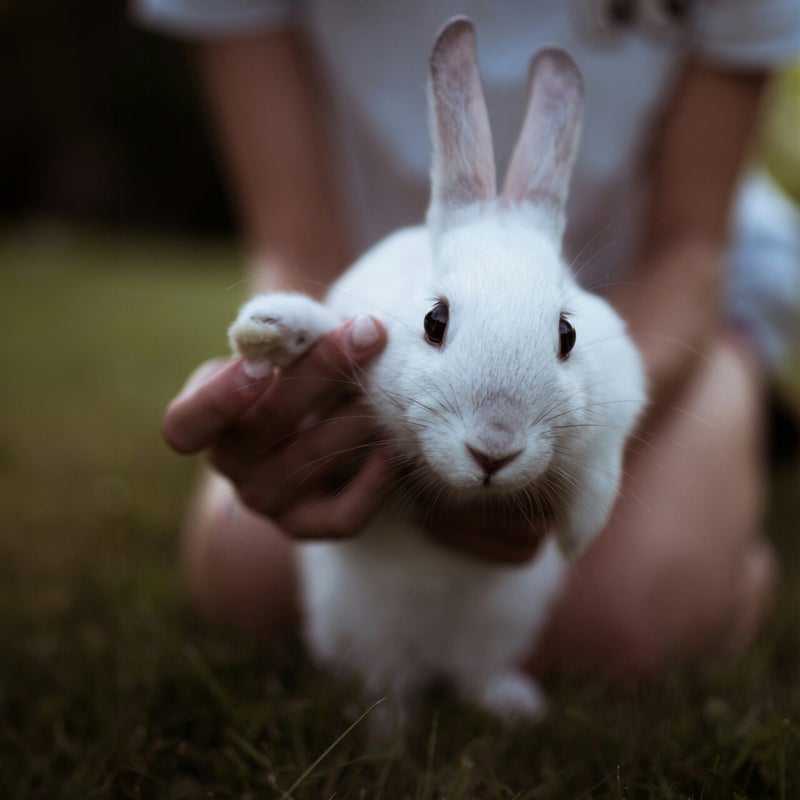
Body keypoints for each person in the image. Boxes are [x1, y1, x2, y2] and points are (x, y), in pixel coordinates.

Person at [137, 1, 800, 676]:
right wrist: (304, 392)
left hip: (663, 301)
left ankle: (732, 500)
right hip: (400, 278)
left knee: (613, 624)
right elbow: (294, 241)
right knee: (247, 575)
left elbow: (689, 247)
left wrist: (587, 448)